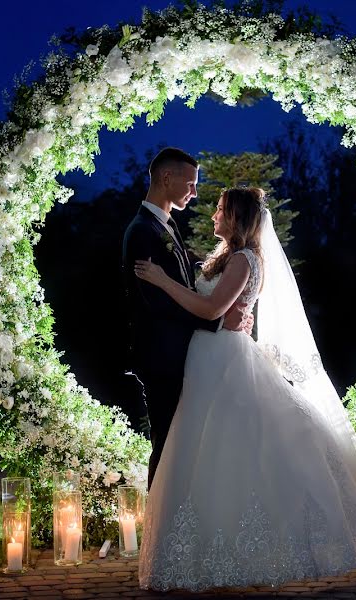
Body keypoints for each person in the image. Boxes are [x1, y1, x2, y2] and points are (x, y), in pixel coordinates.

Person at [133, 187, 356, 592]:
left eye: (220, 209)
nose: (213, 214)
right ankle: (206, 552)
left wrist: (161, 281)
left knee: (229, 451)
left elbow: (211, 310)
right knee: (202, 450)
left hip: (224, 360)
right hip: (208, 358)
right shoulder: (227, 257)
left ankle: (248, 552)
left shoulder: (247, 260)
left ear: (238, 218)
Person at [122, 147, 252, 490]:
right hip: (162, 358)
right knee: (165, 447)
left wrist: (226, 298)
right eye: (191, 184)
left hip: (182, 356)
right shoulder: (142, 232)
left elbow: (180, 280)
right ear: (167, 178)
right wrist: (217, 321)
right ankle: (157, 535)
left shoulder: (164, 225)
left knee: (181, 447)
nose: (194, 193)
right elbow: (156, 302)